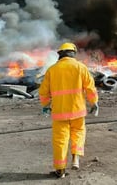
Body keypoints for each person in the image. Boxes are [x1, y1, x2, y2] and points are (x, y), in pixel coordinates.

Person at [39, 42, 99, 179]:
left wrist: (46, 105)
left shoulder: (52, 70)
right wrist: (94, 103)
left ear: (60, 54)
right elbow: (90, 88)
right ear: (73, 53)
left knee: (60, 140)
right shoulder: (81, 67)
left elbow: (43, 92)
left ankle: (60, 170)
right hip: (78, 110)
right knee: (78, 133)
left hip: (59, 112)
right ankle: (76, 159)